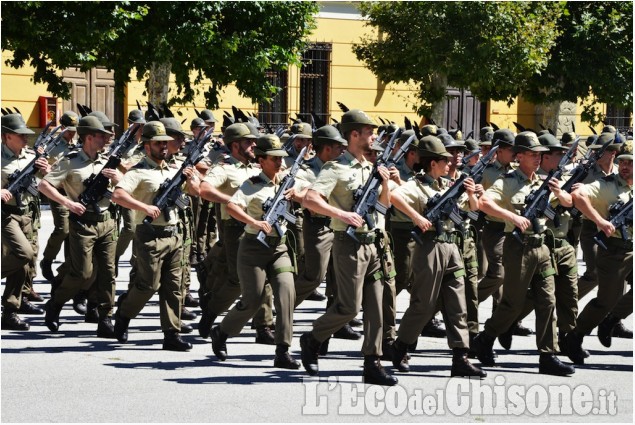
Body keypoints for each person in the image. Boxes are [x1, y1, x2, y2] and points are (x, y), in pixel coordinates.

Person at [299, 109, 398, 386]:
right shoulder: (335, 168)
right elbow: (310, 199)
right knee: (349, 308)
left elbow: (383, 207)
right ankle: (313, 337)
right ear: (354, 134)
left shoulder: (371, 167)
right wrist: (341, 215)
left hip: (374, 243)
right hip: (349, 245)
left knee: (376, 307)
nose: (373, 136)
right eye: (369, 132)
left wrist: (386, 183)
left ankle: (372, 362)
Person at [471, 131, 575, 376]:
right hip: (518, 248)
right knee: (512, 304)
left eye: (539, 154)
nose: (538, 158)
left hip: (543, 247)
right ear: (519, 157)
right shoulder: (508, 181)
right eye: (532, 154)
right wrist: (513, 217)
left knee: (547, 300)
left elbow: (569, 202)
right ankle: (485, 338)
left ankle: (548, 355)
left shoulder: (543, 182)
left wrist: (559, 192)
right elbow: (485, 202)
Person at [389, 135, 485, 378]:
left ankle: (460, 356)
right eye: (444, 160)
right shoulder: (417, 185)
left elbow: (473, 208)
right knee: (424, 303)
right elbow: (395, 197)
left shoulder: (447, 185)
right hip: (430, 247)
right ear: (432, 163)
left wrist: (473, 193)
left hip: (452, 247)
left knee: (457, 304)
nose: (449, 163)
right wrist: (416, 216)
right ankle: (400, 346)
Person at [210, 134, 299, 369]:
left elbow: (310, 195)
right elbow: (231, 206)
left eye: (281, 158)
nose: (280, 163)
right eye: (273, 159)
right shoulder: (252, 184)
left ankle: (283, 350)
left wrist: (297, 195)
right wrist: (255, 222)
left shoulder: (288, 182)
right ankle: (221, 332)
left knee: (286, 295)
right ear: (261, 160)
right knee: (253, 299)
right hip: (252, 248)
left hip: (279, 248)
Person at [111, 121, 198, 351]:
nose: (164, 147)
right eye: (159, 143)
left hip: (174, 233)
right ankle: (123, 314)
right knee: (148, 284)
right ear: (147, 145)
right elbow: (118, 195)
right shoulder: (138, 171)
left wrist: (190, 179)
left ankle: (172, 333)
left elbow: (195, 192)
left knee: (174, 286)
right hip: (150, 235)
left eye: (166, 143)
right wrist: (145, 207)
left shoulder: (172, 169)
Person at [39, 116, 119, 337]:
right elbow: (45, 185)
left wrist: (119, 177)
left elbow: (124, 189)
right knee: (82, 273)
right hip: (83, 224)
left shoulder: (108, 161)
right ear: (89, 137)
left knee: (108, 273)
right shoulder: (70, 161)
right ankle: (55, 303)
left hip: (107, 222)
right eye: (102, 135)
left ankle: (105, 317)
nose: (106, 139)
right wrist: (67, 202)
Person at [197, 123, 274, 344]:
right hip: (235, 227)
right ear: (235, 145)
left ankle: (264, 326)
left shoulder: (258, 165)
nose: (253, 145)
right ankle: (212, 310)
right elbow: (204, 189)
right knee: (237, 279)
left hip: (260, 225)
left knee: (264, 275)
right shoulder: (224, 168)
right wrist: (230, 200)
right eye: (248, 141)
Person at [565, 140, 633, 364]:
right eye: (622, 162)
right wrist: (600, 221)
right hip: (614, 251)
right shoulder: (607, 185)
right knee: (605, 300)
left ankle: (612, 320)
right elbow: (579, 194)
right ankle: (575, 336)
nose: (625, 166)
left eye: (630, 163)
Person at [1, 113, 51, 330]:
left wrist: (44, 172)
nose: (25, 138)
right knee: (25, 254)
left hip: (26, 214)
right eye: (20, 134)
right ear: (6, 136)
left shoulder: (30, 155)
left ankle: (10, 311)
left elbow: (37, 184)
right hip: (5, 213)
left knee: (23, 263)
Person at [40, 111, 78, 285]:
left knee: (72, 233)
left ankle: (69, 268)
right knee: (62, 229)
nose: (72, 133)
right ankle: (47, 260)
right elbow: (40, 165)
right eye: (69, 129)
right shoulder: (52, 145)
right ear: (62, 127)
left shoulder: (78, 145)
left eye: (74, 129)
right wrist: (47, 171)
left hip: (74, 194)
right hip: (58, 193)